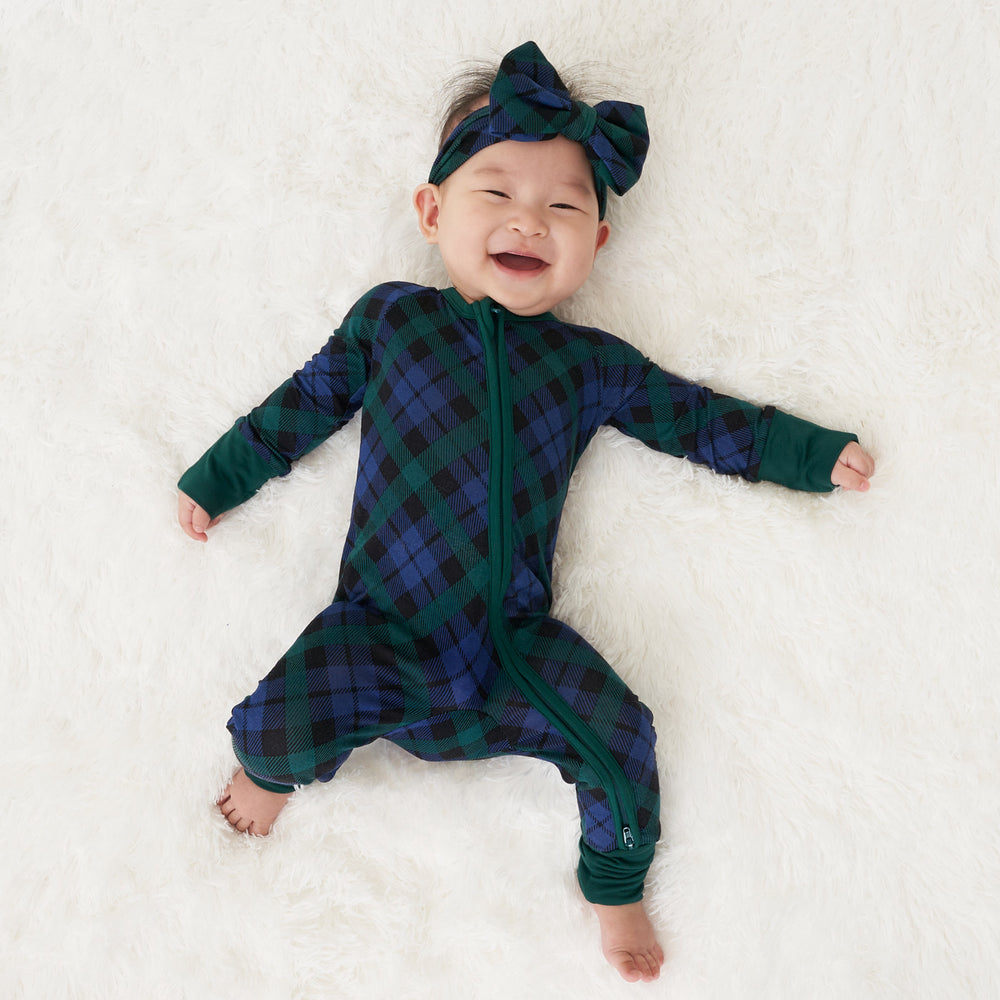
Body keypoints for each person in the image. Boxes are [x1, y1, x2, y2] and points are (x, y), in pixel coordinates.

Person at [177, 41, 875, 984]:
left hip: (514, 649)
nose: (528, 221)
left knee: (624, 736)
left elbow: (699, 420)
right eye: (495, 193)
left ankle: (614, 887)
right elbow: (297, 408)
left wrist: (808, 452)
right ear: (433, 212)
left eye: (562, 206)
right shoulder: (391, 323)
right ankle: (264, 782)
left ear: (598, 242)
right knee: (279, 716)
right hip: (380, 628)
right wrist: (215, 480)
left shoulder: (587, 364)